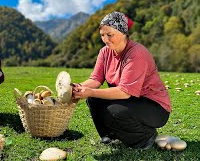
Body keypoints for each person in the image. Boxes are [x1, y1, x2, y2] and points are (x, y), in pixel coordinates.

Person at [72, 11, 171, 150]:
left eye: (110, 35)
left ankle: (145, 138)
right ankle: (109, 134)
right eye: (102, 35)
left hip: (154, 108)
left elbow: (124, 92)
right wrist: (78, 87)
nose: (106, 39)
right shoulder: (105, 52)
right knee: (93, 99)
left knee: (115, 110)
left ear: (123, 32)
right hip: (131, 100)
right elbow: (95, 79)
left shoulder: (137, 53)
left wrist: (90, 92)